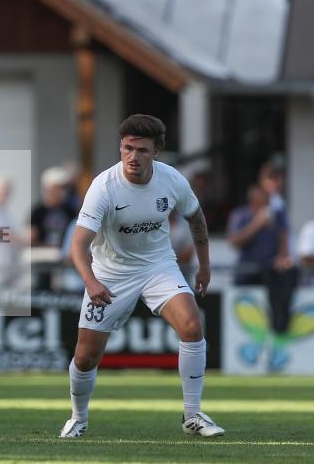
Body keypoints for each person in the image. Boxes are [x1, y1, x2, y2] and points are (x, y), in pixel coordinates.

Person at [61, 114, 224, 439]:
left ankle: (192, 415)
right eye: (127, 148)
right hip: (110, 274)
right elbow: (77, 246)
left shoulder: (172, 180)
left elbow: (196, 221)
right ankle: (78, 417)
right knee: (85, 355)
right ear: (121, 148)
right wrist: (92, 282)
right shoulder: (104, 187)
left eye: (142, 150)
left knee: (192, 326)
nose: (133, 157)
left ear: (157, 153)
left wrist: (204, 266)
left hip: (157, 267)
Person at [227, 184, 297, 366]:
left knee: (289, 274)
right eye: (262, 202)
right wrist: (257, 224)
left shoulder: (277, 215)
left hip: (271, 272)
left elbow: (283, 238)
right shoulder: (240, 215)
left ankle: (281, 322)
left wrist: (283, 257)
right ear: (253, 203)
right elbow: (235, 241)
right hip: (247, 272)